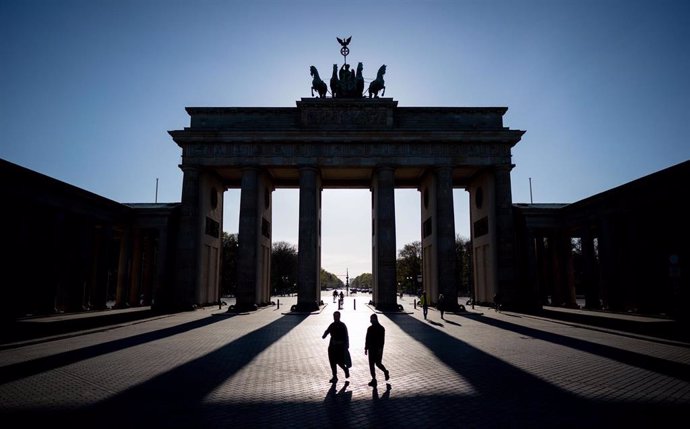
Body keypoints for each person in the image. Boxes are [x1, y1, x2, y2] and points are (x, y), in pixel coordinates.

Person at [322, 311, 350, 383]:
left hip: (339, 347)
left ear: (339, 317)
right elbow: (327, 331)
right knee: (332, 362)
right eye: (334, 316)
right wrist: (324, 335)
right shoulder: (332, 325)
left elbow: (346, 336)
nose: (335, 317)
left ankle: (345, 369)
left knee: (339, 361)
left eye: (336, 316)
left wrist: (346, 346)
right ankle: (334, 376)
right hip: (331, 347)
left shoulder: (342, 325)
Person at [365, 314, 389, 387]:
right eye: (370, 319)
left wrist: (380, 349)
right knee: (371, 365)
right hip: (371, 349)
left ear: (375, 319)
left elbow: (382, 341)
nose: (371, 320)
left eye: (372, 319)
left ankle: (385, 371)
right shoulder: (369, 328)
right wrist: (366, 348)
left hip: (378, 349)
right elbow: (367, 338)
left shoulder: (381, 328)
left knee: (378, 363)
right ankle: (374, 379)